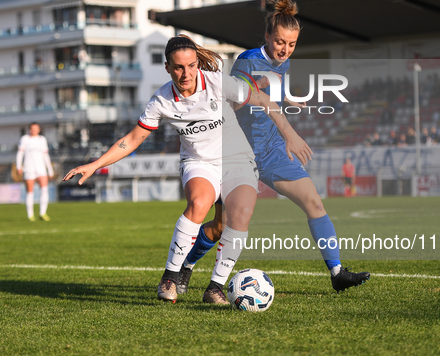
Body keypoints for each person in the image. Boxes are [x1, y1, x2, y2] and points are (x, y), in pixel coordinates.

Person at [63, 35, 311, 304]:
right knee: (200, 201)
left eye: (191, 66)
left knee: (237, 217)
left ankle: (215, 287)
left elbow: (263, 100)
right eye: (179, 67)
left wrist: (290, 135)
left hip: (237, 159)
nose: (186, 74)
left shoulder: (217, 82)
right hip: (198, 162)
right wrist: (94, 164)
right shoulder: (161, 100)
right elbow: (132, 140)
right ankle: (170, 277)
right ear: (167, 67)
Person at [177, 0, 370, 297]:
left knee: (314, 203)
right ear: (267, 36)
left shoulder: (285, 62)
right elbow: (233, 102)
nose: (285, 49)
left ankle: (337, 273)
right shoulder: (247, 61)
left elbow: (275, 86)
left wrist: (288, 98)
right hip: (236, 154)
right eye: (280, 42)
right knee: (220, 226)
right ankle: (186, 267)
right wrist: (262, 88)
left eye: (291, 44)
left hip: (270, 152)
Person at [16, 122, 54, 221]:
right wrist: (18, 166)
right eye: (32, 128)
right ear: (29, 129)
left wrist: (50, 170)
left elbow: (46, 155)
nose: (34, 130)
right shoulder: (25, 139)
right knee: (30, 192)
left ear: (39, 129)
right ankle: (30, 215)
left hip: (41, 168)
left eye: (36, 128)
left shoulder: (42, 140)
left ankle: (42, 213)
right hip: (29, 168)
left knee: (44, 189)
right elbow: (20, 153)